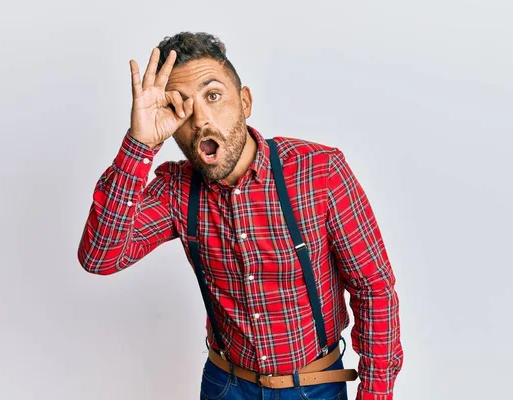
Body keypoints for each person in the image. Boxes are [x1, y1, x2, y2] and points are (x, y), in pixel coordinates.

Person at [77, 31, 403, 400]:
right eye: (181, 106)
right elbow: (100, 256)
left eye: (213, 96)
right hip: (225, 385)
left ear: (245, 101)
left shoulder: (319, 172)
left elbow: (373, 289)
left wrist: (375, 395)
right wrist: (139, 145)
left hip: (315, 387)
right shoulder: (176, 189)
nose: (201, 119)